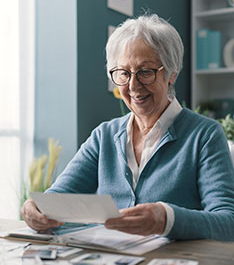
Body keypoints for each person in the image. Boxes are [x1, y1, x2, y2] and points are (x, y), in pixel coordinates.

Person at [21, 13, 234, 241]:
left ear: (171, 74)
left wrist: (166, 219)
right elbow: (57, 198)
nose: (133, 85)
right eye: (123, 73)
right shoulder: (104, 136)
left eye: (145, 72)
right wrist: (34, 208)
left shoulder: (205, 135)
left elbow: (227, 223)